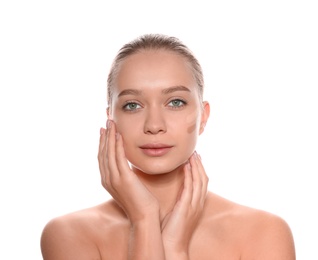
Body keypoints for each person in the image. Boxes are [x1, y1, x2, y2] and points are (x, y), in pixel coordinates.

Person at [40, 34, 296, 259]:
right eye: (132, 105)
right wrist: (144, 219)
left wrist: (174, 247)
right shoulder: (69, 234)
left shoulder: (263, 232)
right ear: (111, 119)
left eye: (175, 102)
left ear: (203, 117)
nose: (154, 125)